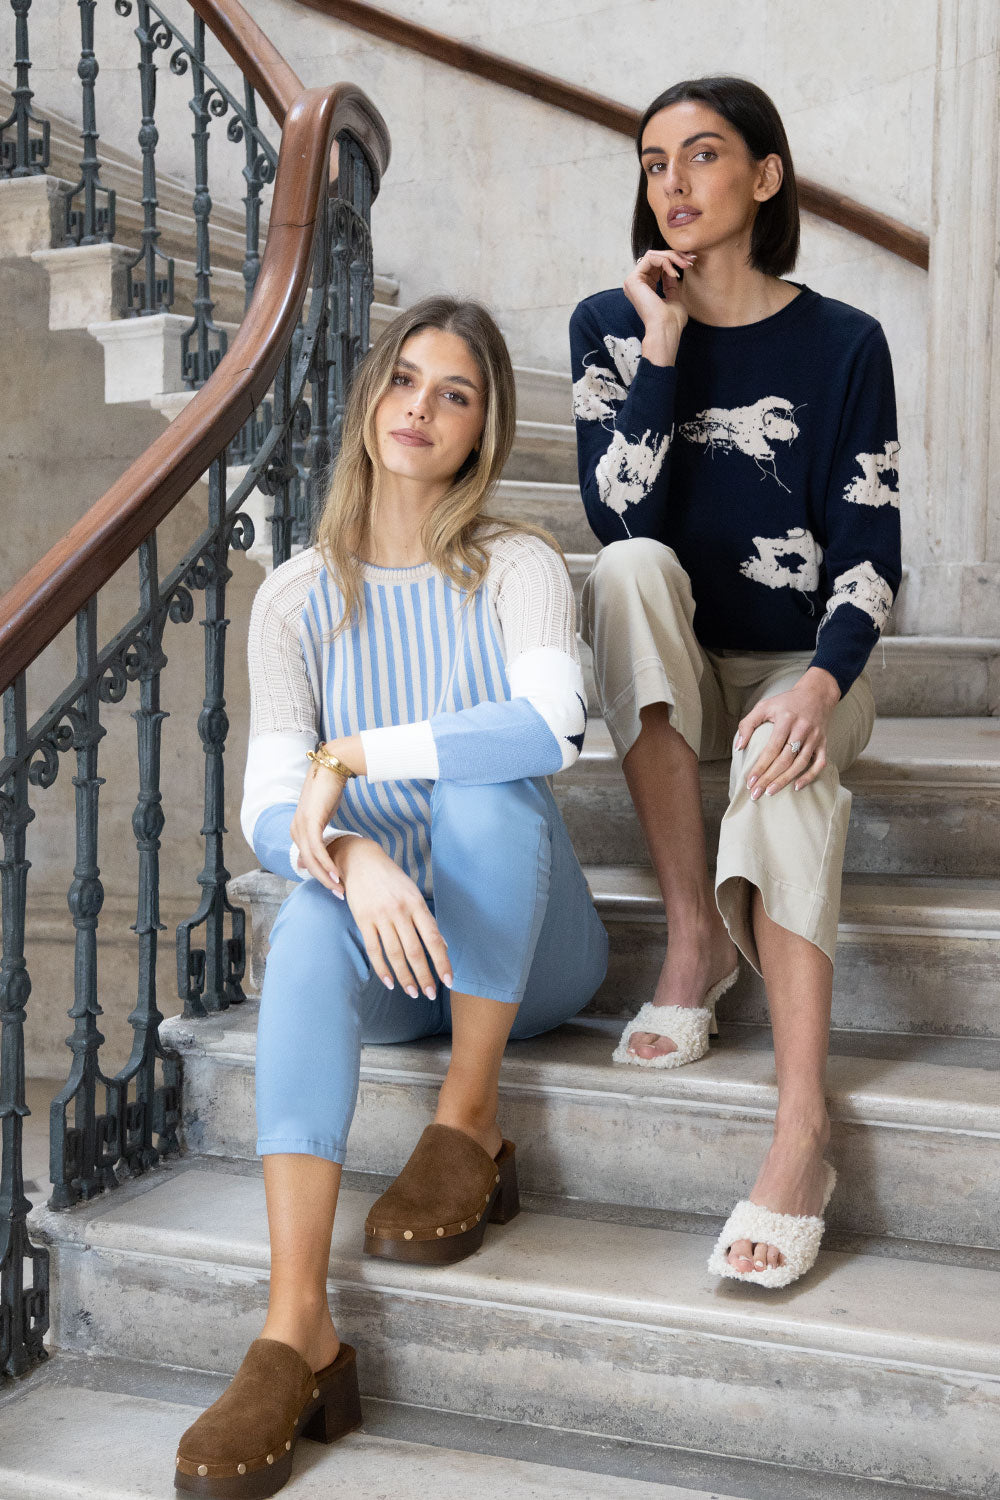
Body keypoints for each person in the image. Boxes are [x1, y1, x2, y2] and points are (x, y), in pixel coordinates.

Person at [174, 297, 608, 1497]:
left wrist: (357, 756)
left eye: (454, 393)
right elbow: (272, 802)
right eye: (404, 380)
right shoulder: (297, 597)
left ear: (482, 429)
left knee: (490, 786)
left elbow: (549, 726)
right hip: (392, 958)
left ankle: (469, 1118)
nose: (421, 408)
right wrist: (353, 852)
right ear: (370, 400)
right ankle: (296, 1328)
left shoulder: (516, 564)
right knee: (311, 910)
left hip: (527, 952)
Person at [570, 76, 901, 1289]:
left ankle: (799, 1128)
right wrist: (661, 346)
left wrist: (819, 686)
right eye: (653, 161)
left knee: (784, 761)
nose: (672, 181)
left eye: (702, 154)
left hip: (803, 662)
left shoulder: (844, 343)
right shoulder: (608, 326)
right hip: (678, 657)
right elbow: (620, 518)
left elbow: (869, 552)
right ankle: (693, 937)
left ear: (764, 177)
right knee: (626, 572)